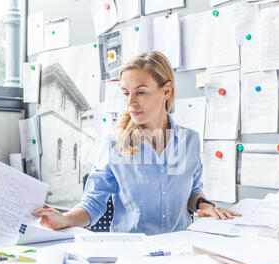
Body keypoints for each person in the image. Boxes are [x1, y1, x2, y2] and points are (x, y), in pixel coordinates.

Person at [33, 50, 241, 235]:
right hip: (133, 252)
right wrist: (66, 219)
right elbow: (93, 204)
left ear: (166, 91)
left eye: (140, 92)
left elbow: (193, 190)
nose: (131, 102)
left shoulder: (190, 141)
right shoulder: (114, 145)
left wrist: (203, 205)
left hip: (180, 248)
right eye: (126, 93)